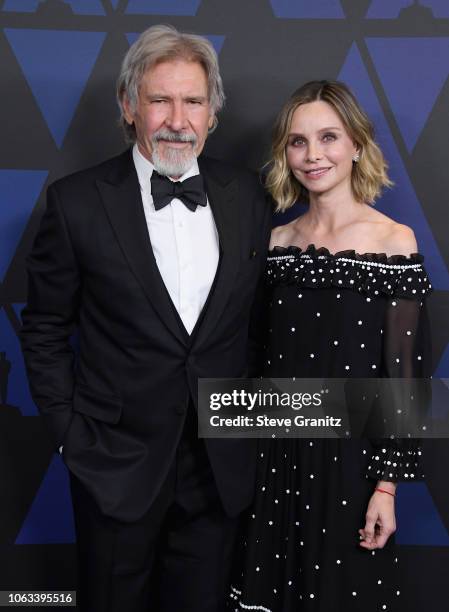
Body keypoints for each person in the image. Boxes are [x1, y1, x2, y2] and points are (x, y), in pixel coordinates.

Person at [20, 25, 271, 612]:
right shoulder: (76, 201)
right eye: (160, 99)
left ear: (212, 114)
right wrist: (70, 438)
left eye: (193, 101)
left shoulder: (252, 197)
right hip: (113, 464)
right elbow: (46, 329)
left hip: (219, 469)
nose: (177, 118)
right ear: (129, 107)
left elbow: (261, 324)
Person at [230, 80, 432, 611]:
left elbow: (404, 381)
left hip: (352, 462)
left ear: (356, 144)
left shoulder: (395, 240)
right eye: (298, 141)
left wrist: (387, 487)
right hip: (272, 457)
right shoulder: (275, 242)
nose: (313, 155)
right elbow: (253, 358)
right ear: (284, 152)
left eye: (328, 137)